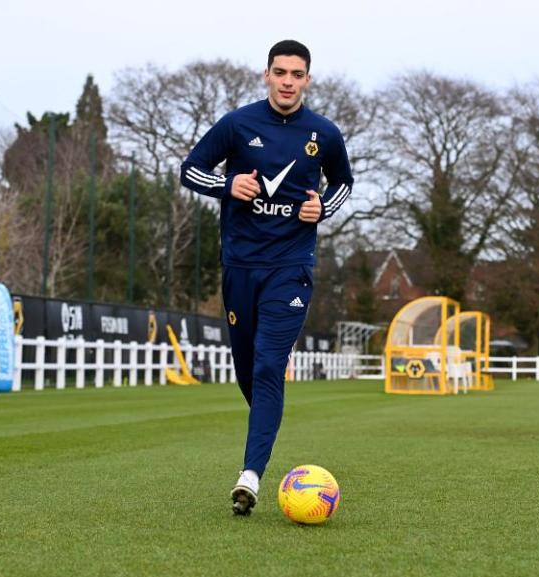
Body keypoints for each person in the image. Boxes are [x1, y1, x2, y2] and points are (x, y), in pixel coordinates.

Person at [180, 39, 354, 516]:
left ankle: (250, 475)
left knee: (267, 366)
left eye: (297, 75)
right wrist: (227, 184)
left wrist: (322, 209)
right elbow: (190, 169)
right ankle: (267, 424)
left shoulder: (324, 132)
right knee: (249, 374)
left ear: (308, 80)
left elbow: (342, 184)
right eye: (281, 72)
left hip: (291, 269)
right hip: (240, 267)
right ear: (267, 75)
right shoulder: (238, 124)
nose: (288, 82)